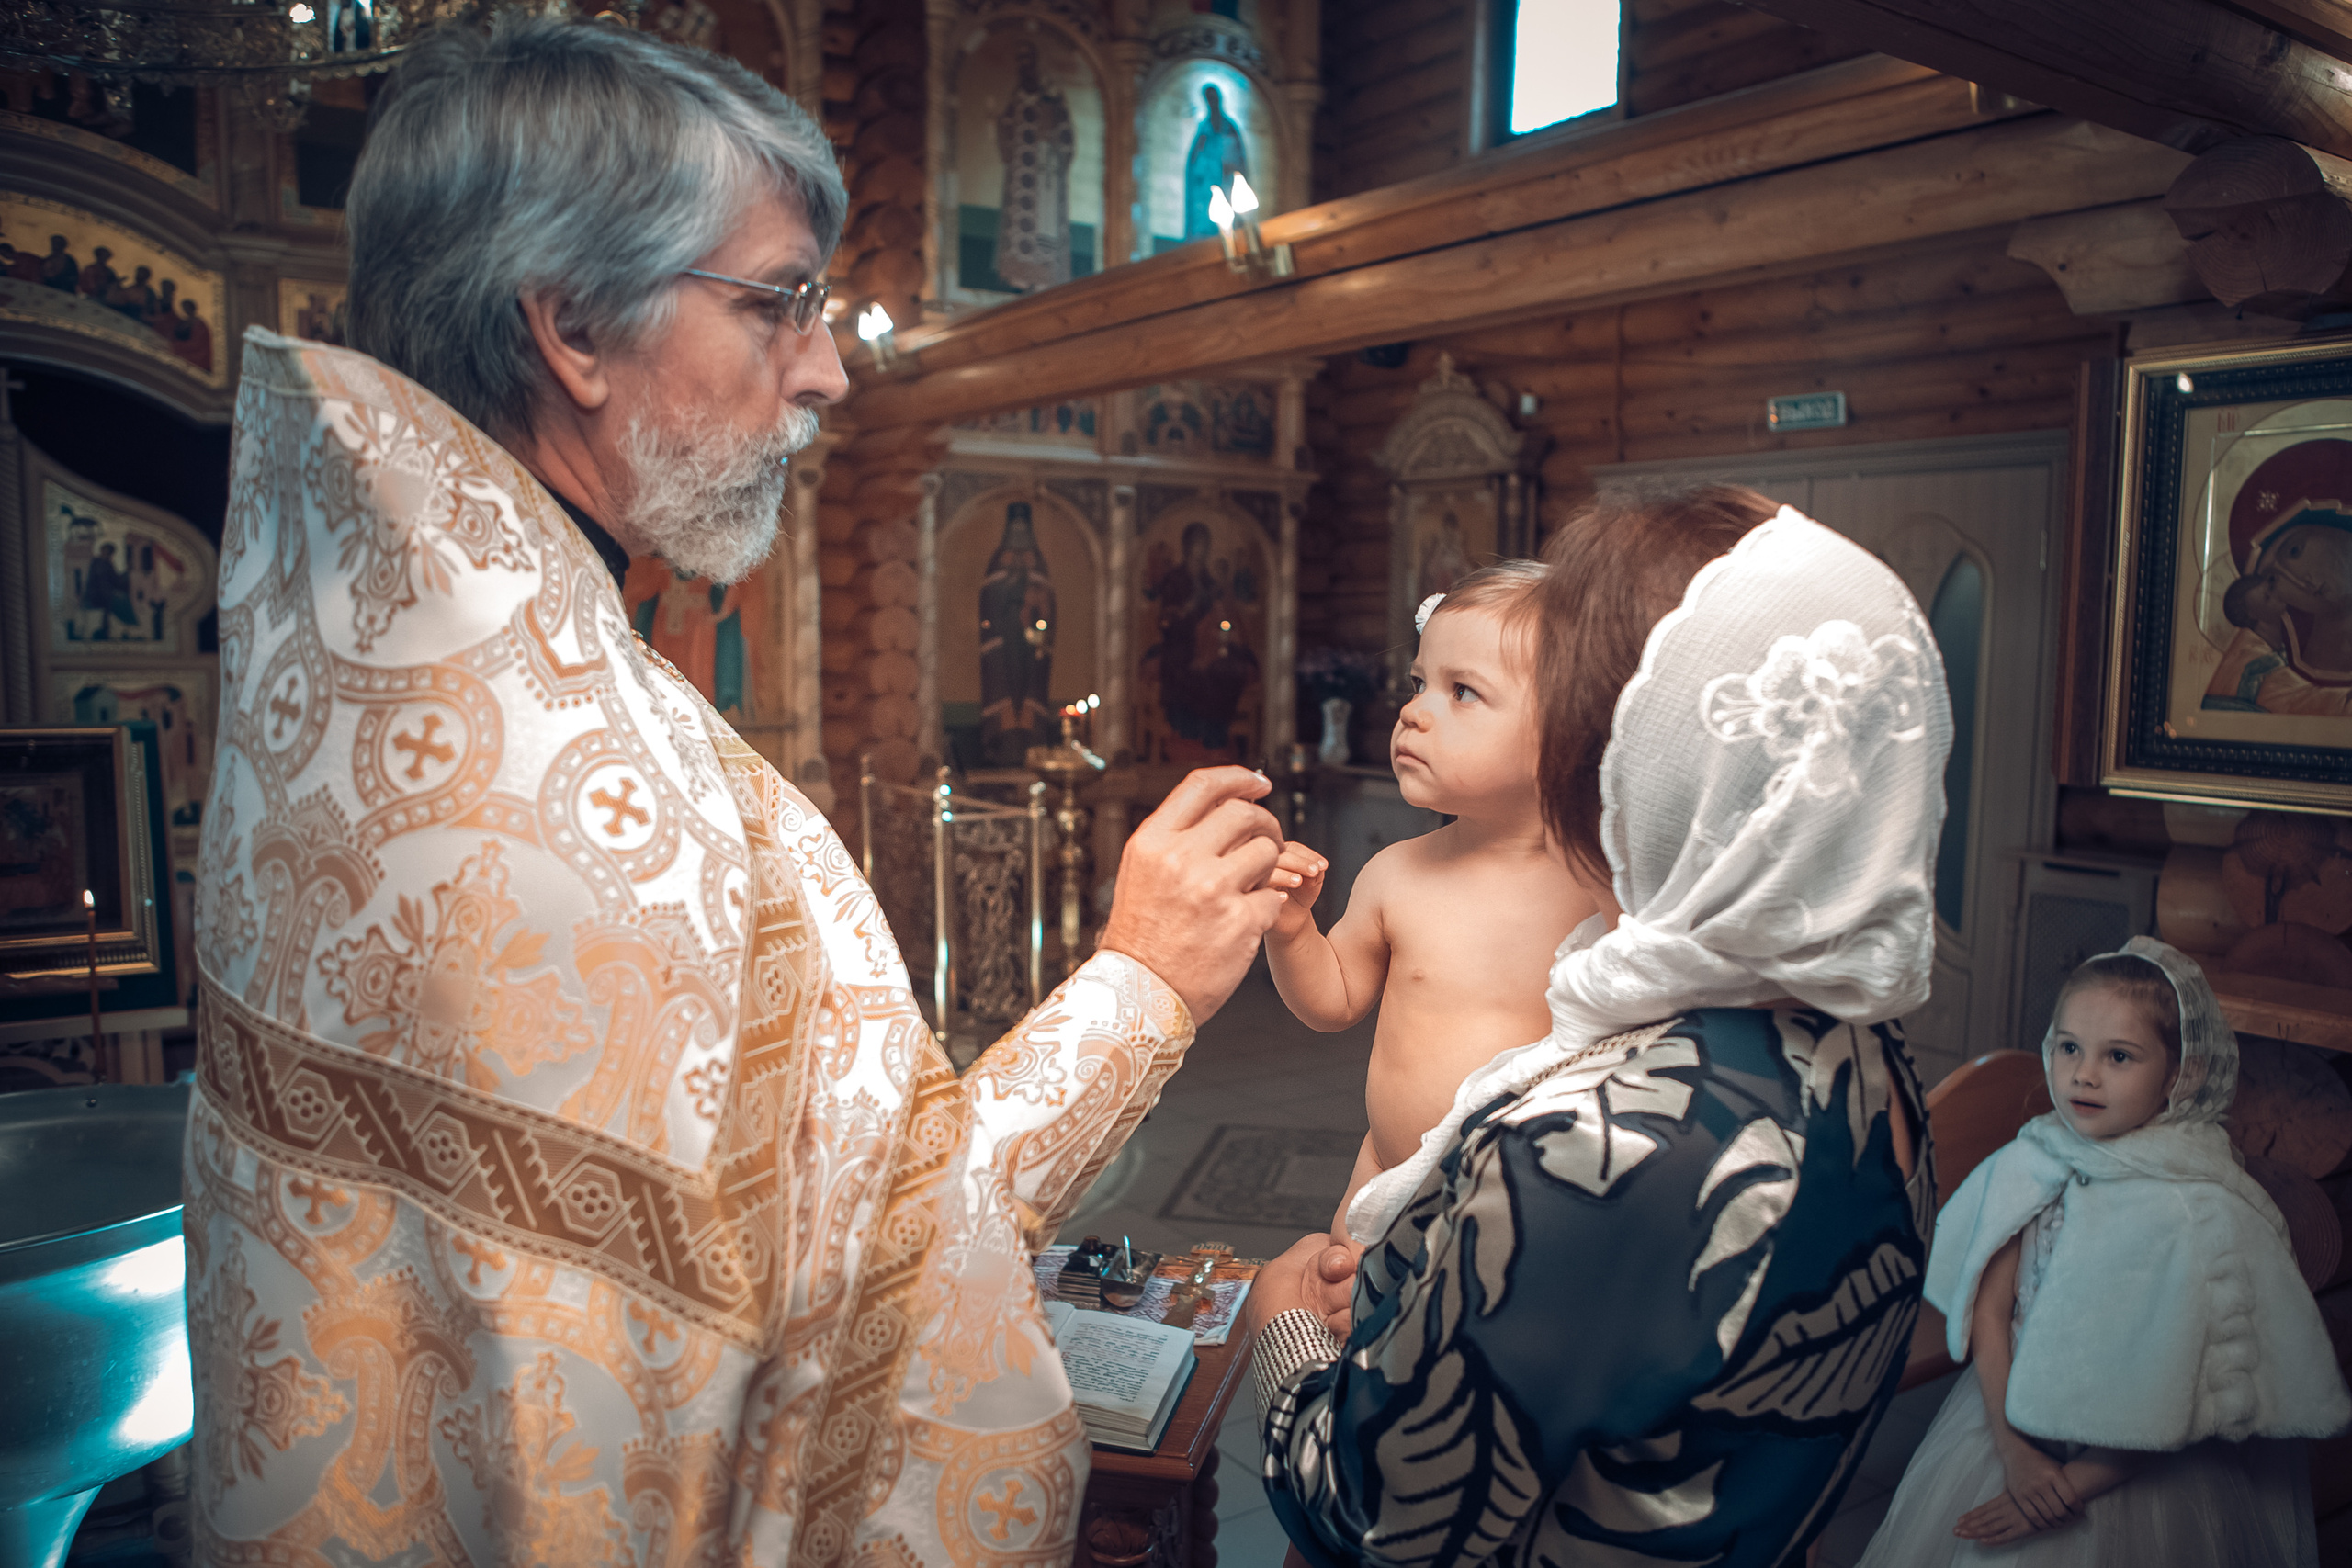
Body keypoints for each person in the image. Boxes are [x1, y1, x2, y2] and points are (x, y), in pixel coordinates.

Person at [186, 17, 1292, 1565]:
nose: (830, 372)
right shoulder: (593, 809)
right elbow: (871, 1311)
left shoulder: (347, 672)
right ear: (573, 323)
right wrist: (1143, 984)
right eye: (779, 306)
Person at [1247, 484, 1948, 1566]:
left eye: (1589, 712)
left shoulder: (1594, 1148)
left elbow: (1375, 1513)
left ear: (1655, 753)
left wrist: (1282, 1329)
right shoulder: (1860, 1055)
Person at [1859, 939, 2349, 1567]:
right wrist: (2014, 1453)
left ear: (2178, 1075)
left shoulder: (2198, 1206)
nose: (2084, 1074)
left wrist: (2063, 1488)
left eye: (2119, 1055)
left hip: (2133, 1471)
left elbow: (2176, 1381)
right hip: (2011, 1428)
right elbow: (1990, 1309)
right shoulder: (2032, 1163)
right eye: (2069, 1047)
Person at [1264, 562, 1611, 1247]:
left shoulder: (1600, 890)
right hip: (1383, 1180)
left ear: (1567, 730)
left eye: (1463, 692)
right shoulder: (1398, 873)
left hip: (1518, 1211)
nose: (1412, 710)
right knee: (1351, 1330)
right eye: (1420, 682)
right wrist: (1291, 927)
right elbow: (1331, 1001)